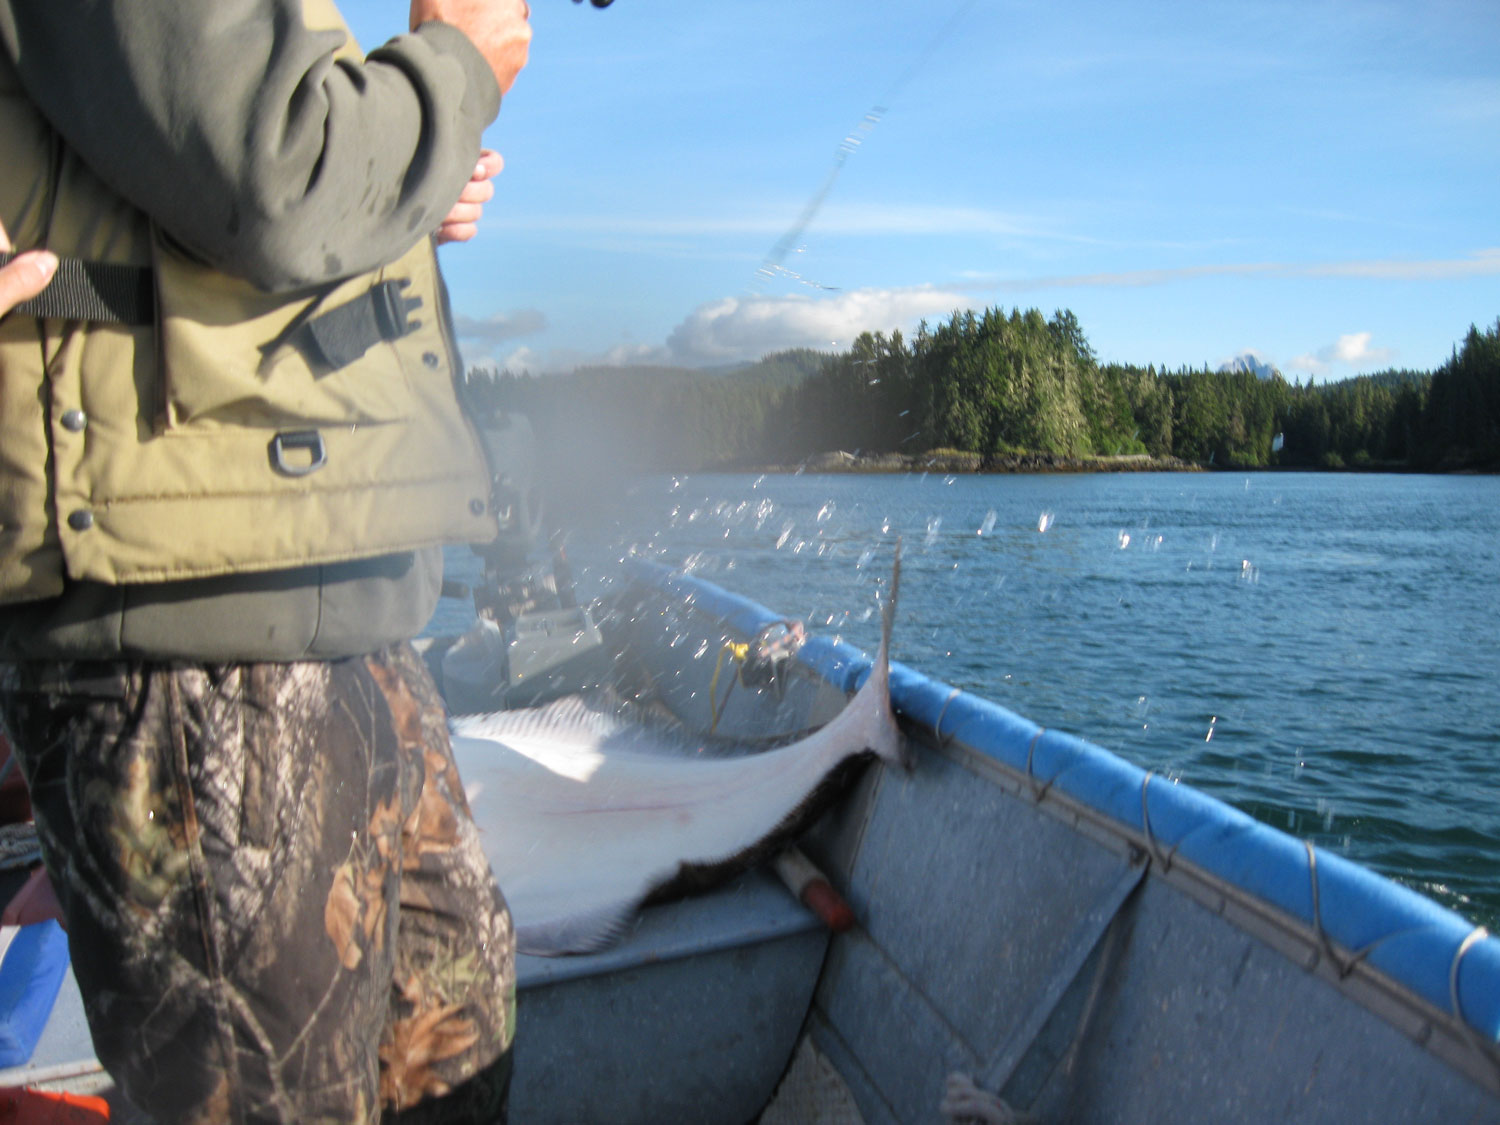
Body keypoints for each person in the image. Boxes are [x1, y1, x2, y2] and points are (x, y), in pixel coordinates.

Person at [0, 1, 532, 1120]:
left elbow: (254, 184)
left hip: (349, 614)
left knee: (458, 1065)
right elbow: (279, 175)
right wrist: (452, 73)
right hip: (188, 651)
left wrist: (401, 170)